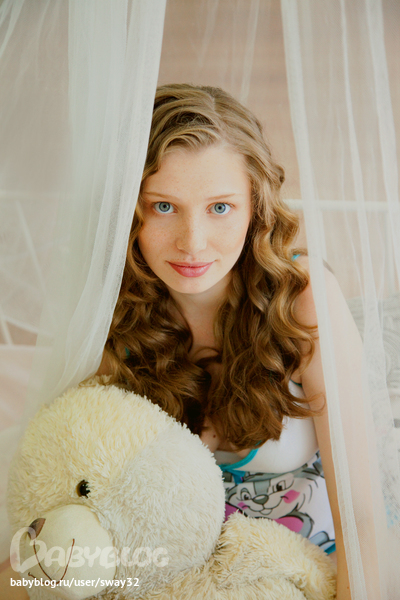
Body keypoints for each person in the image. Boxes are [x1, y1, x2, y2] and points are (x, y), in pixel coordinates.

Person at [0, 83, 353, 599]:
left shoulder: (302, 299)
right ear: (130, 211)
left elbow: (362, 516)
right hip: (163, 577)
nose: (193, 242)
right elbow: (75, 491)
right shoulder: (112, 317)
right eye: (164, 206)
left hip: (303, 575)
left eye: (220, 208)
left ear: (256, 207)